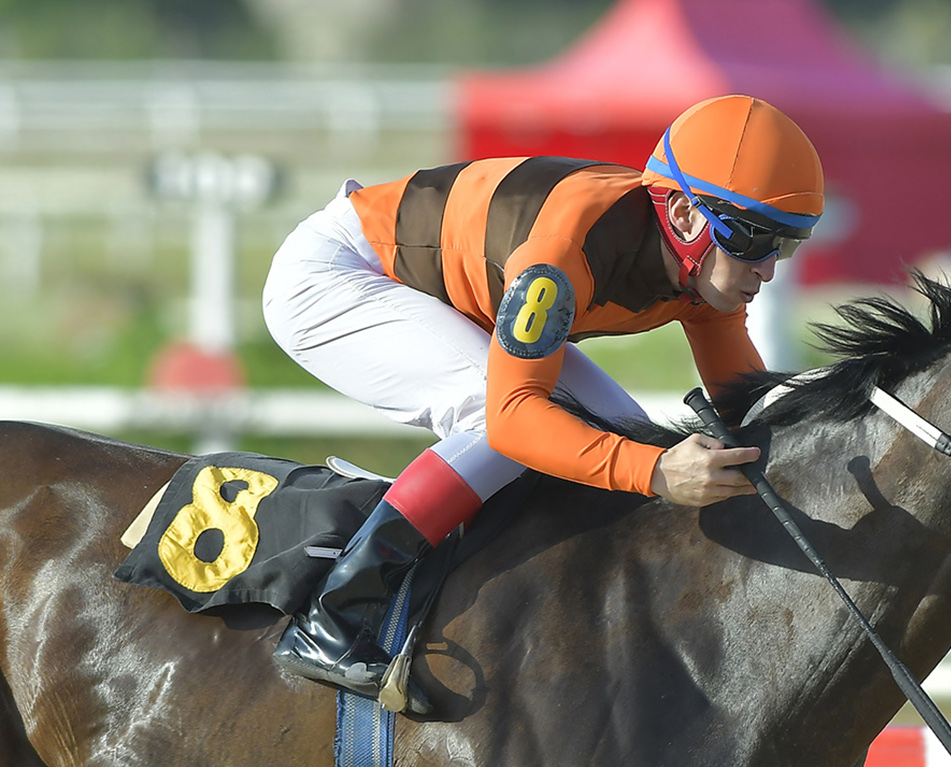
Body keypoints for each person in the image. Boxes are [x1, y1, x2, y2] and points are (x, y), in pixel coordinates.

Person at [260, 94, 824, 697]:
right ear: (685, 215)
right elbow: (512, 420)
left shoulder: (703, 270)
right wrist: (658, 471)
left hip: (442, 287)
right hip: (338, 275)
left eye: (786, 245)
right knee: (502, 421)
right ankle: (336, 611)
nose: (768, 269)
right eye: (755, 241)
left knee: (617, 428)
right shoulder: (564, 251)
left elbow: (747, 408)